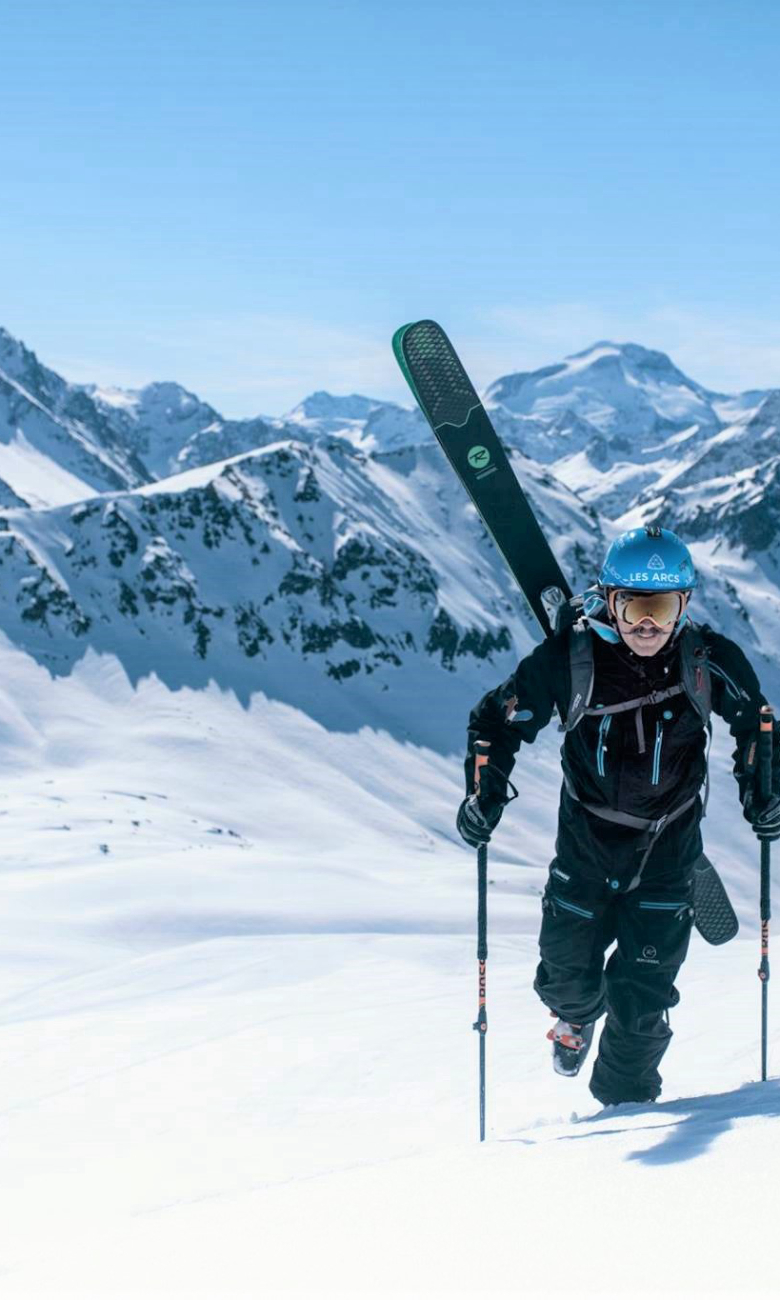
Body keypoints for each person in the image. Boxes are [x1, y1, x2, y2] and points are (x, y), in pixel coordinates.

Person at [456, 525, 780, 1106]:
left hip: (667, 856)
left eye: (662, 608)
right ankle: (575, 1019)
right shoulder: (569, 659)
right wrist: (484, 794)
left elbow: (758, 725)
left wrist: (764, 792)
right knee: (566, 980)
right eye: (634, 607)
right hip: (585, 849)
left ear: (684, 606)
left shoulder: (707, 660)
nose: (647, 625)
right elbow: (496, 722)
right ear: (610, 599)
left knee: (642, 1003)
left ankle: (621, 1117)